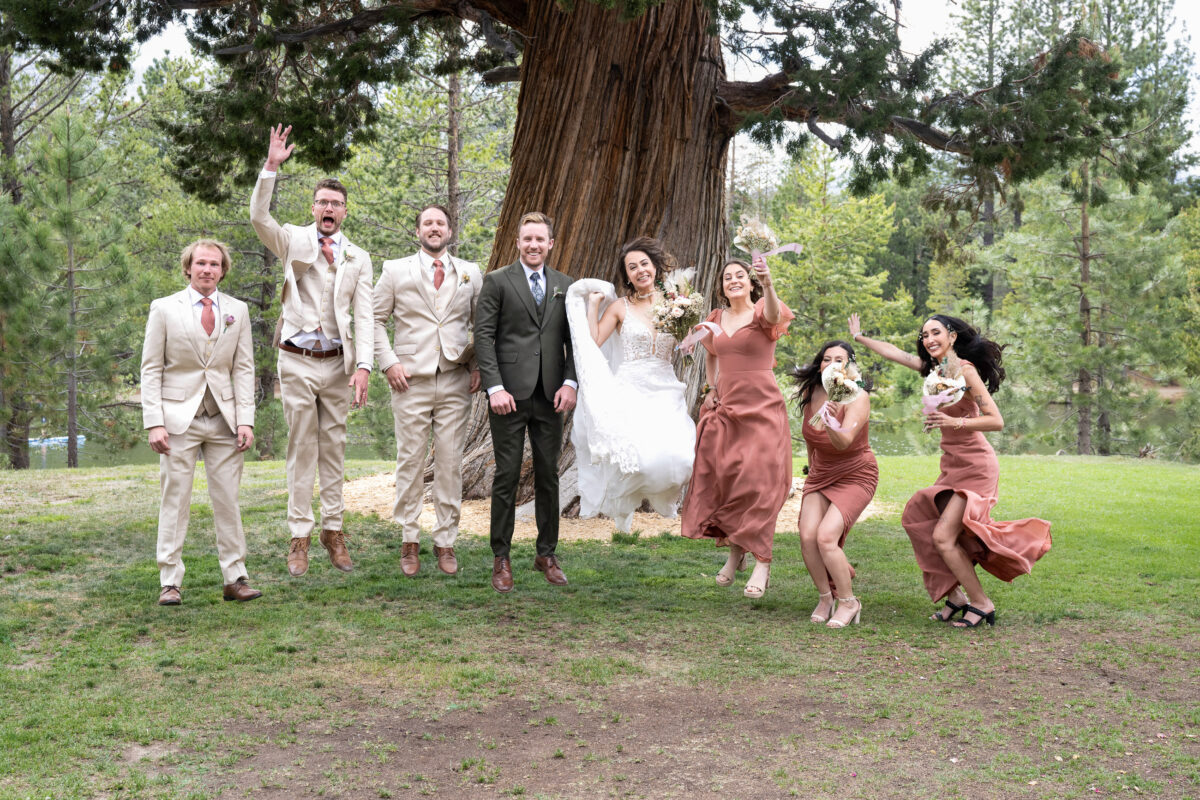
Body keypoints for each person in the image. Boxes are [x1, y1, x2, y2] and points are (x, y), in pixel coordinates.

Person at [848, 312, 1051, 627]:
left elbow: (996, 420)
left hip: (976, 465)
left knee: (944, 535)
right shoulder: (934, 369)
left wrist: (955, 420)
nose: (928, 340)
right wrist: (860, 338)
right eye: (924, 335)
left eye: (935, 333)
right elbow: (896, 353)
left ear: (952, 336)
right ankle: (955, 597)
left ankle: (982, 603)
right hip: (952, 463)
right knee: (919, 517)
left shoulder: (964, 371)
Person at [250, 124, 374, 577]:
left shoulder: (358, 257)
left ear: (344, 212)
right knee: (301, 448)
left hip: (338, 366)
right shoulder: (292, 239)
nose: (328, 209)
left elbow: (364, 313)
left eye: (336, 204)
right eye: (322, 202)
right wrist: (271, 167)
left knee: (335, 450)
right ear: (314, 206)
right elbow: (258, 219)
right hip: (297, 361)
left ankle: (334, 531)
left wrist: (363, 366)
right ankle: (298, 536)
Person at [141, 239, 260, 605]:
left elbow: (243, 368)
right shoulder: (164, 309)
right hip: (178, 421)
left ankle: (235, 577)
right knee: (174, 500)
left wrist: (246, 420)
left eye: (214, 264)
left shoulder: (237, 311)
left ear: (223, 270)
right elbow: (151, 369)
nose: (207, 269)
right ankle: (170, 581)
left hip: (224, 421)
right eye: (201, 263)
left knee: (228, 500)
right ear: (188, 268)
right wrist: (154, 422)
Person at [373, 204, 483, 577]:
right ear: (418, 231)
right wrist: (388, 362)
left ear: (450, 232)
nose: (434, 228)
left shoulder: (470, 272)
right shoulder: (394, 270)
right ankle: (409, 540)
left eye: (440, 223)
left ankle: (446, 542)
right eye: (427, 223)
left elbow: (483, 323)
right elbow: (373, 319)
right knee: (411, 462)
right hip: (409, 380)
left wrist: (479, 364)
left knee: (451, 463)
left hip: (454, 378)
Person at [474, 211, 577, 593]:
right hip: (508, 397)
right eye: (527, 239)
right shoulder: (498, 281)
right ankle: (501, 557)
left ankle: (546, 553)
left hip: (551, 396)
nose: (534, 245)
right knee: (507, 474)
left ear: (551, 244)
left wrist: (570, 382)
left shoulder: (566, 286)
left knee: (548, 474)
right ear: (518, 242)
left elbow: (574, 341)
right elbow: (484, 338)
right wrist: (494, 387)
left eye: (541, 239)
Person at [681, 255, 794, 599]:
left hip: (762, 407)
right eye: (728, 276)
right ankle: (735, 553)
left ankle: (762, 561)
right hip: (728, 408)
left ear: (750, 281)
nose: (733, 280)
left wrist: (770, 282)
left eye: (740, 275)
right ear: (722, 285)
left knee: (760, 482)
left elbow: (775, 317)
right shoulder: (715, 319)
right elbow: (712, 354)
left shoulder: (763, 310)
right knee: (732, 481)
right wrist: (711, 389)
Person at [565, 236, 695, 531]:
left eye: (644, 264)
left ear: (655, 267)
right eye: (632, 267)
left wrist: (687, 339)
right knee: (641, 459)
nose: (640, 271)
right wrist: (594, 305)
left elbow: (686, 345)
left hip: (665, 388)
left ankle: (662, 498)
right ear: (626, 275)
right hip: (631, 390)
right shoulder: (620, 308)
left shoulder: (677, 303)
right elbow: (594, 340)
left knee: (681, 459)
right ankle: (623, 507)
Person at [792, 341, 878, 628]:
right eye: (826, 359)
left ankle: (848, 602)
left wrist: (829, 420)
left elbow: (843, 443)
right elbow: (809, 438)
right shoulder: (812, 391)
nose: (830, 363)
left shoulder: (858, 396)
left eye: (838, 359)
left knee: (826, 537)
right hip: (821, 473)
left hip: (856, 473)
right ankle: (825, 597)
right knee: (807, 536)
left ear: (848, 366)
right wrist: (810, 469)